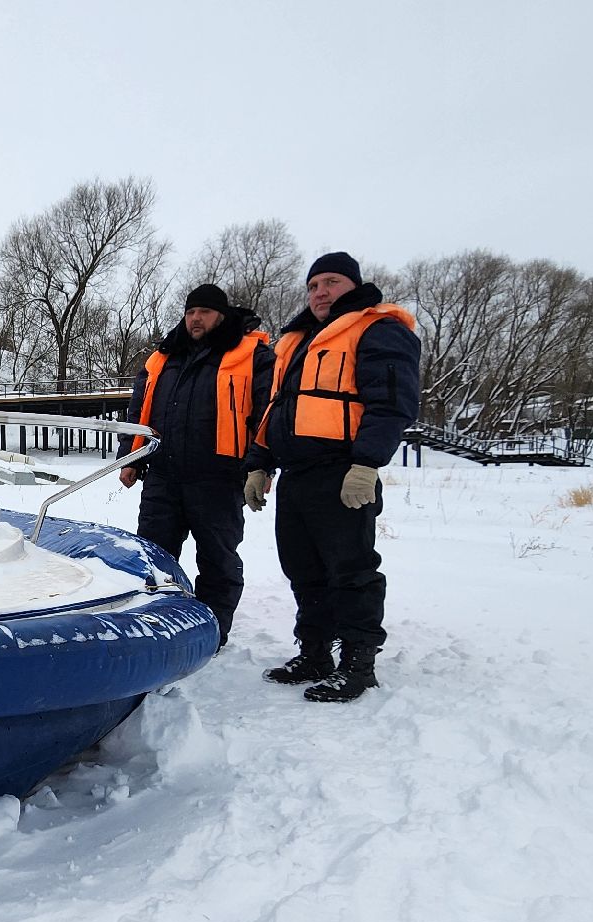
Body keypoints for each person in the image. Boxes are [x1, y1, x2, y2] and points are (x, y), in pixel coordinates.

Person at [244, 252, 421, 702]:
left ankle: (358, 664)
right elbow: (277, 409)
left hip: (344, 471)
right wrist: (260, 462)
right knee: (304, 571)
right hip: (298, 474)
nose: (320, 292)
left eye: (331, 282)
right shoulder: (299, 340)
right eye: (313, 285)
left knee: (351, 570)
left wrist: (366, 464)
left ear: (353, 285)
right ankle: (316, 652)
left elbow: (391, 403)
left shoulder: (377, 329)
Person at [120, 283, 274, 647]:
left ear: (220, 315)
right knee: (153, 556)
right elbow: (138, 409)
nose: (195, 319)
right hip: (163, 475)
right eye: (190, 312)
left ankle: (212, 632)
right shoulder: (164, 357)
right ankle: (156, 627)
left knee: (218, 560)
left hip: (219, 478)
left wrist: (262, 464)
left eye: (203, 312)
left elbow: (268, 411)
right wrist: (130, 456)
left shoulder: (252, 354)